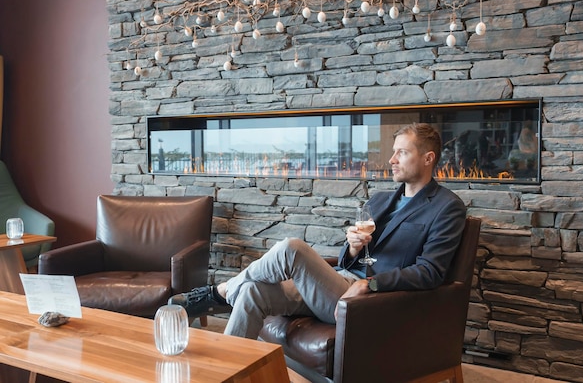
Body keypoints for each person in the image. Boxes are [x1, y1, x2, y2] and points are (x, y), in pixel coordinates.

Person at [169, 122, 467, 339]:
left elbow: (430, 272)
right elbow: (350, 259)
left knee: (291, 248)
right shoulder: (381, 200)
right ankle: (228, 371)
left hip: (373, 301)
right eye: (393, 152)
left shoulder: (446, 207)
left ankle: (219, 292)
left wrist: (371, 285)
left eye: (401, 153)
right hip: (340, 282)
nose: (391, 160)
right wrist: (352, 246)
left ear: (428, 158)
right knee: (251, 291)